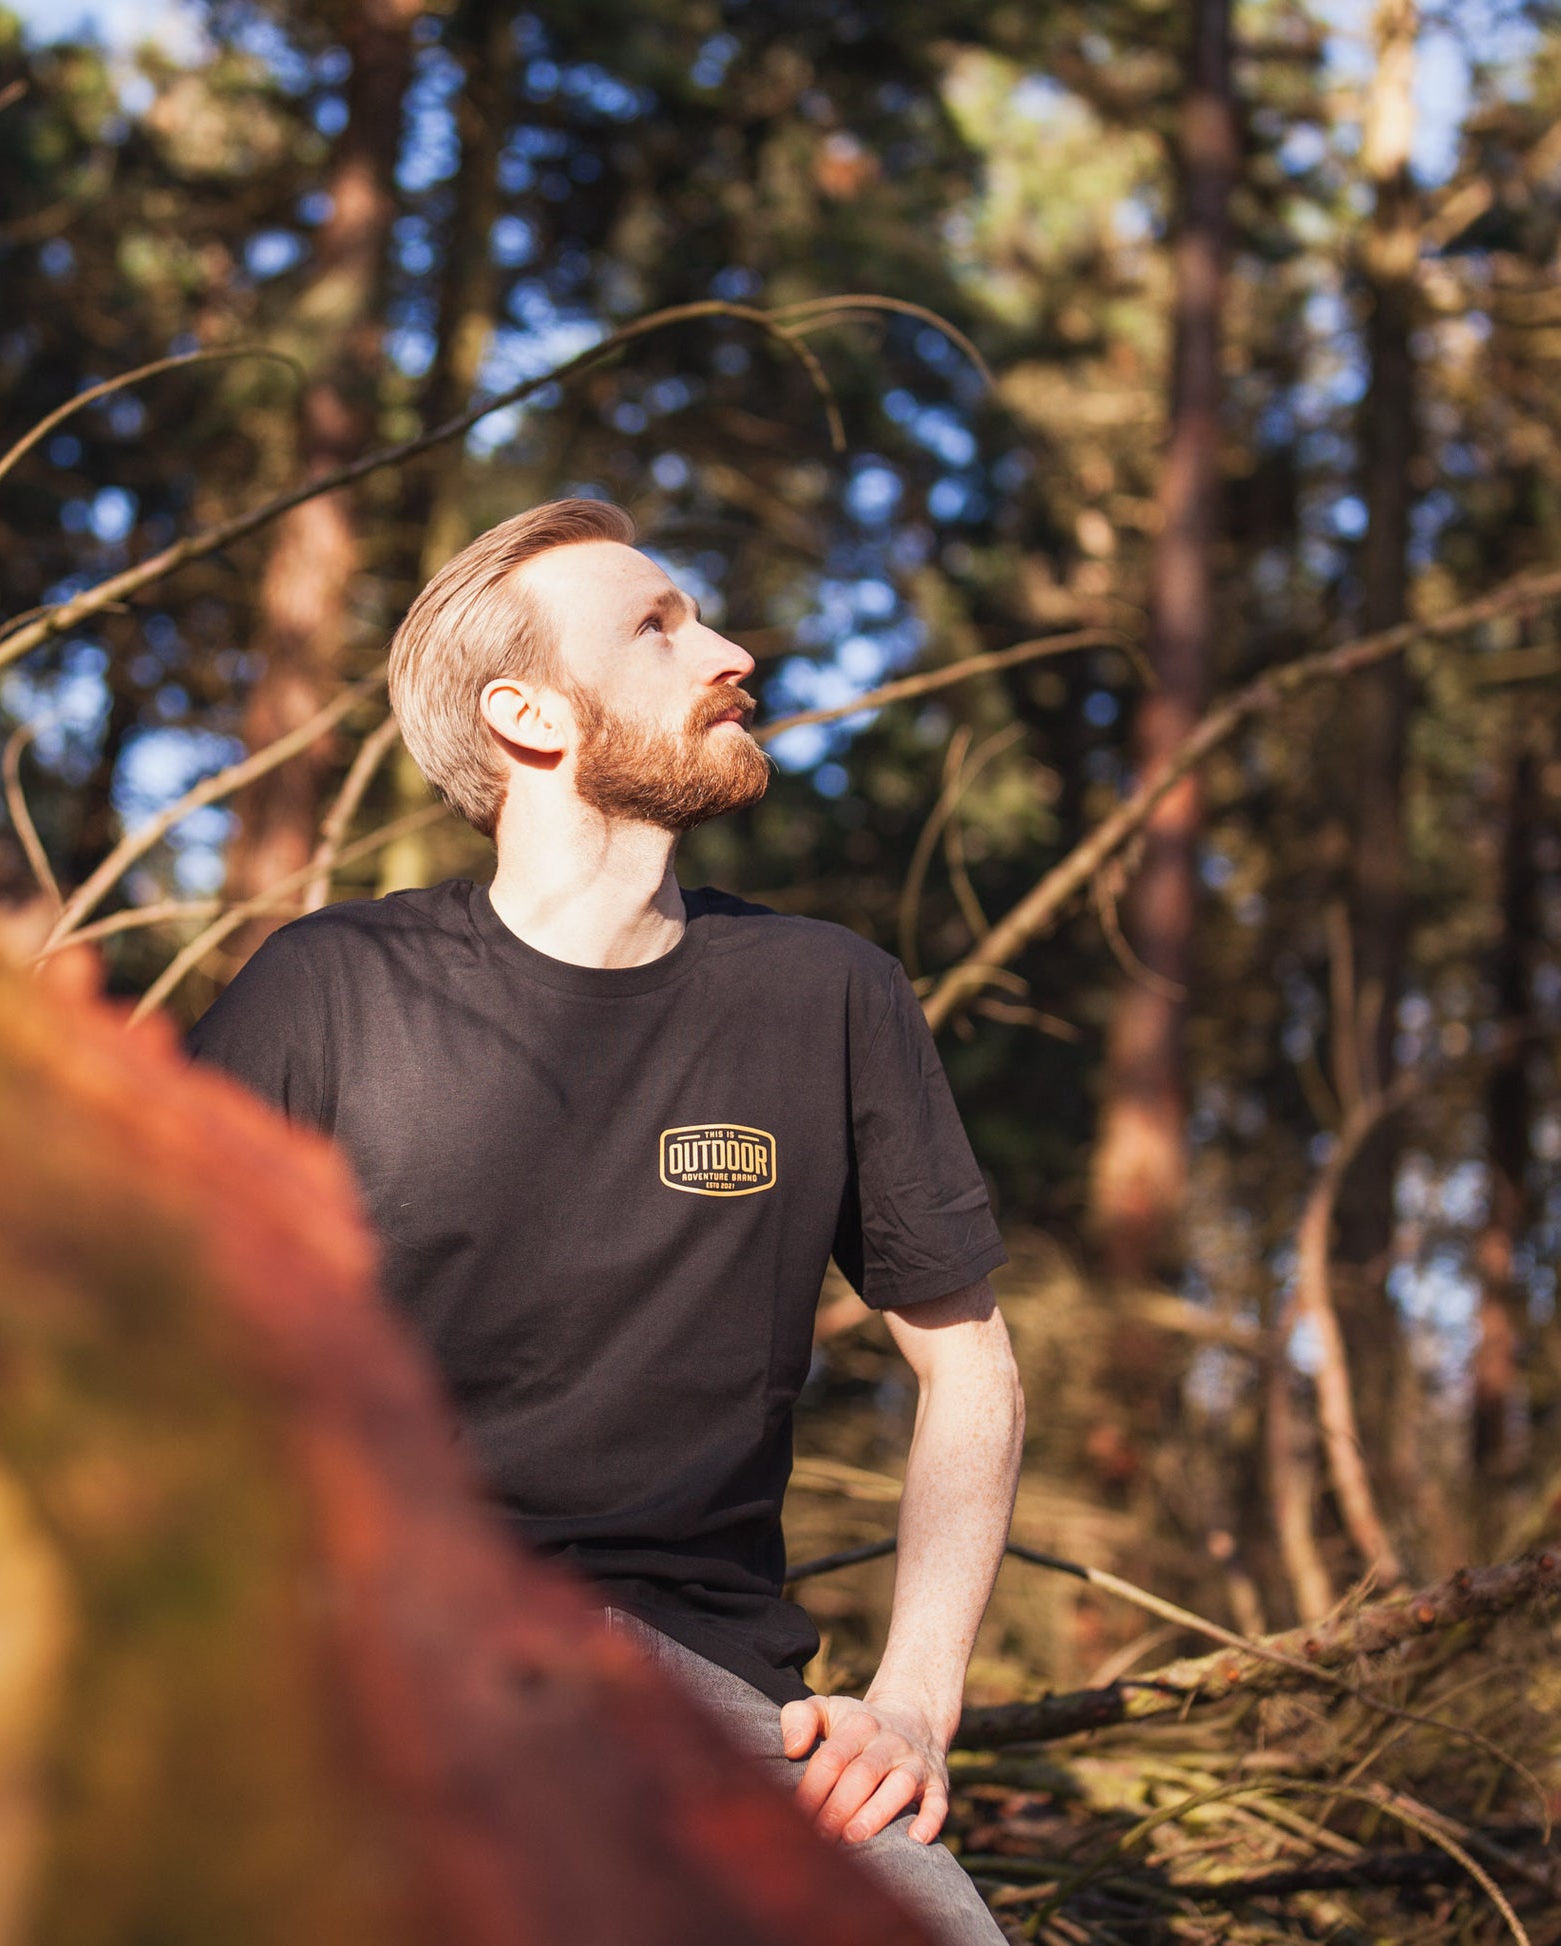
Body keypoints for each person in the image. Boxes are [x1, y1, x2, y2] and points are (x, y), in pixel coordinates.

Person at [186, 499, 1023, 1943]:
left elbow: (970, 1363)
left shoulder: (824, 993)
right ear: (525, 714)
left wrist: (912, 1701)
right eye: (659, 626)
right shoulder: (328, 990)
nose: (733, 651)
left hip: (694, 1693)